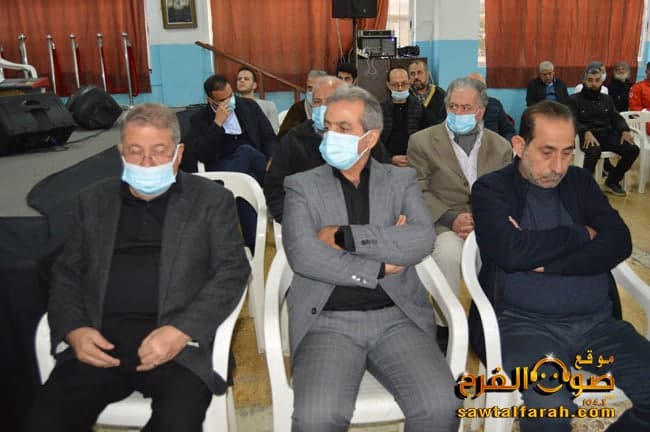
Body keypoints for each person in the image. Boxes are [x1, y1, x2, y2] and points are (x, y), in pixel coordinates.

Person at [26, 103, 251, 432]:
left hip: (177, 347)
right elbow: (66, 273)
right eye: (135, 151)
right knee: (44, 422)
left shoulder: (210, 200)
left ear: (178, 154)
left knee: (176, 423)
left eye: (159, 151)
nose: (146, 162)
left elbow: (232, 270)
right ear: (121, 153)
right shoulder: (92, 201)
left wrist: (181, 331)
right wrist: (74, 329)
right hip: (99, 344)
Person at [282, 86, 460, 432]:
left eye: (343, 128)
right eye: (328, 127)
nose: (331, 136)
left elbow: (421, 239)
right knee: (316, 418)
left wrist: (343, 237)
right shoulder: (301, 186)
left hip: (397, 317)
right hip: (327, 321)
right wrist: (378, 264)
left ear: (370, 137)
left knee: (441, 407)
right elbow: (304, 254)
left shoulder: (401, 180)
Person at [470, 100, 650, 432]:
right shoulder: (491, 189)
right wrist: (581, 233)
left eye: (567, 153)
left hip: (599, 326)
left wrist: (549, 263)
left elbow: (619, 241)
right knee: (549, 405)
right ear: (519, 146)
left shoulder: (580, 182)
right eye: (547, 152)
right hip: (522, 327)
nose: (557, 166)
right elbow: (510, 252)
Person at [408, 77, 512, 300]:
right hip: (443, 223)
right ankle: (448, 318)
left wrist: (485, 219)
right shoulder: (421, 142)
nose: (458, 113)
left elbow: (507, 193)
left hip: (488, 223)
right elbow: (417, 189)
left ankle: (491, 315)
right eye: (453, 106)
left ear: (480, 111)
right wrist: (450, 217)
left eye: (466, 108)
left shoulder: (501, 147)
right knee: (448, 254)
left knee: (502, 255)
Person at [264, 76, 389, 223]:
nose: (323, 107)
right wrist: (297, 222)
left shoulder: (363, 137)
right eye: (317, 102)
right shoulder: (295, 139)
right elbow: (275, 188)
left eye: (330, 100)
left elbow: (386, 181)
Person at [193, 74, 277, 249]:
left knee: (246, 155)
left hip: (255, 161)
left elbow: (269, 137)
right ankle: (254, 246)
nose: (229, 102)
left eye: (230, 96)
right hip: (223, 165)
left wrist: (271, 158)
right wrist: (217, 124)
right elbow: (202, 154)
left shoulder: (249, 106)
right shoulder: (199, 118)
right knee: (246, 181)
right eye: (222, 100)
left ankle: (222, 197)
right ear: (210, 100)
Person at [568, 64, 639, 196]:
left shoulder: (607, 99)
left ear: (601, 81)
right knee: (594, 151)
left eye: (597, 80)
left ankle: (612, 181)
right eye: (590, 80)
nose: (594, 84)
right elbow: (572, 119)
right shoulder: (574, 99)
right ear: (584, 81)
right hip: (587, 135)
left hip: (606, 135)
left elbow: (616, 117)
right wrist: (585, 131)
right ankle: (583, 185)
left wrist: (624, 130)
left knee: (633, 149)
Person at [381, 66, 424, 167]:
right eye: (395, 85)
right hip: (386, 164)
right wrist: (389, 159)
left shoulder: (419, 107)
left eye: (404, 84)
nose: (400, 88)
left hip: (414, 162)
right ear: (388, 85)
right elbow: (374, 141)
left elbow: (426, 137)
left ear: (409, 82)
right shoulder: (380, 109)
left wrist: (414, 158)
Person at [277, 69, 327, 138]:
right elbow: (284, 137)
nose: (312, 92)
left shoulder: (333, 109)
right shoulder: (297, 108)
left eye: (317, 88)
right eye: (309, 88)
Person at [467, 72, 516, 143]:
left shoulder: (495, 104)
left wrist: (507, 143)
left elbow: (508, 130)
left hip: (493, 145)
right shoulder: (460, 108)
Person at [236, 66, 280, 134]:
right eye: (239, 79)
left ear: (254, 85)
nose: (242, 81)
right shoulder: (232, 106)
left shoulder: (268, 106)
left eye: (246, 79)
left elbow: (273, 131)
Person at [408, 59, 447, 127]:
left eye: (419, 72)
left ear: (427, 74)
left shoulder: (440, 94)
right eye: (412, 74)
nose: (416, 77)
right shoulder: (406, 96)